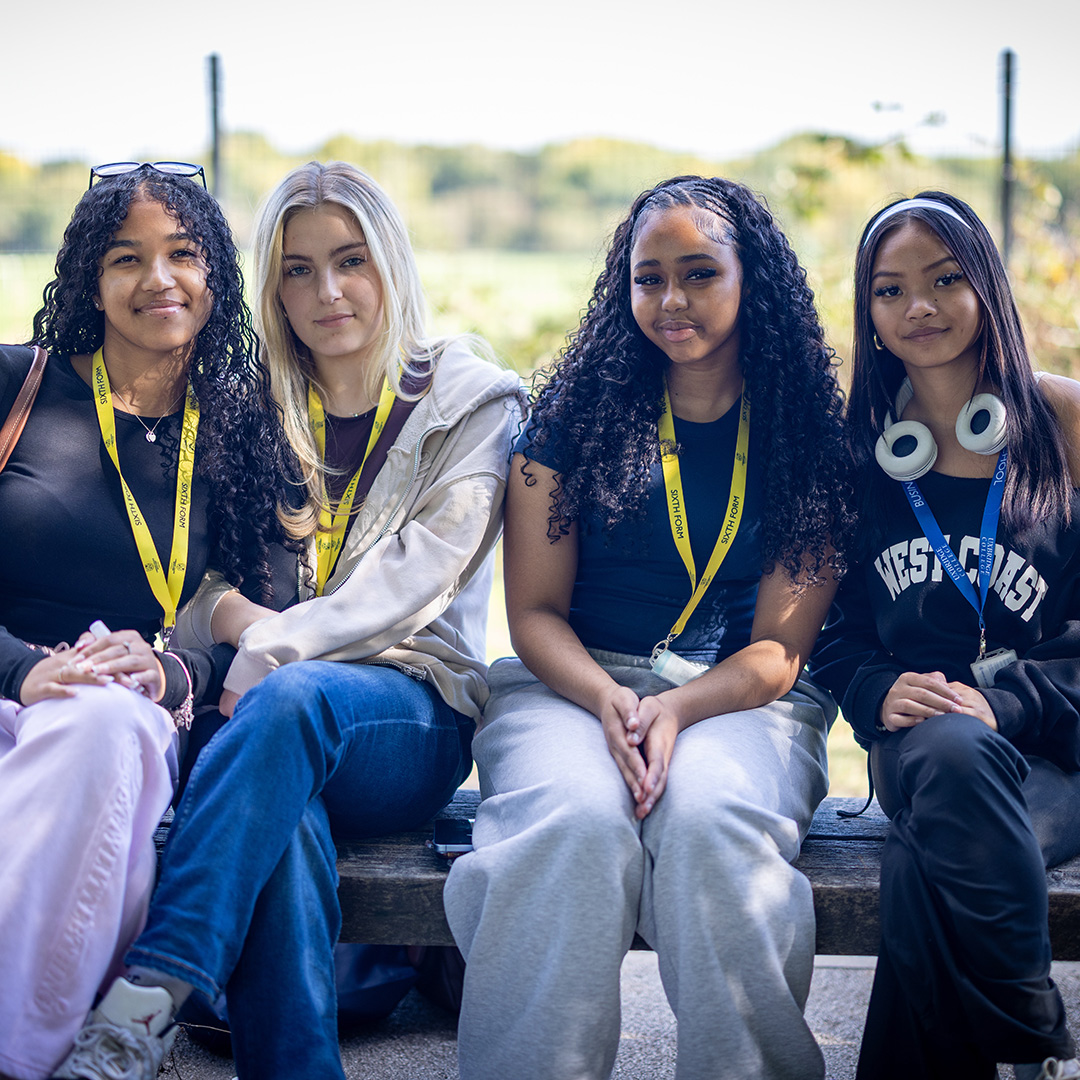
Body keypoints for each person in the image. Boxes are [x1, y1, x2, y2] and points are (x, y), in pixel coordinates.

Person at [61, 160, 523, 1080]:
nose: (329, 291)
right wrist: (242, 626)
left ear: (390, 263)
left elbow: (420, 579)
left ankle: (154, 987)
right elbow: (193, 583)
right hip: (265, 724)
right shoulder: (246, 406)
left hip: (408, 712)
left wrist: (269, 642)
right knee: (288, 821)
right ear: (271, 284)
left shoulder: (471, 400)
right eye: (299, 269)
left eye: (351, 261)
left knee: (292, 704)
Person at [443, 175, 852, 1080]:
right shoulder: (569, 422)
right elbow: (535, 617)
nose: (670, 300)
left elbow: (779, 651)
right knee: (572, 824)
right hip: (571, 685)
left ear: (756, 281)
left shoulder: (813, 439)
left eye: (700, 273)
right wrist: (613, 699)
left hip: (742, 696)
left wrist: (676, 710)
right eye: (648, 277)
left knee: (711, 822)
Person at [0, 161, 293, 1080]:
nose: (158, 279)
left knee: (102, 725)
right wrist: (17, 668)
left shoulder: (244, 430)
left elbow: (268, 615)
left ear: (216, 277)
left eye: (183, 254)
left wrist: (176, 675)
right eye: (127, 258)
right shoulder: (15, 385)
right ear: (90, 278)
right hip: (8, 687)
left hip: (129, 715)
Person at [810, 192, 1080, 1080]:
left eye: (945, 279)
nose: (917, 306)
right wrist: (873, 690)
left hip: (1058, 744)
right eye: (889, 291)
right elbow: (835, 634)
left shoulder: (1064, 424)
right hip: (924, 743)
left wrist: (1005, 702)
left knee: (927, 869)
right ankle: (1030, 1036)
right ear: (871, 316)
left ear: (988, 288)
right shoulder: (859, 455)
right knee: (953, 754)